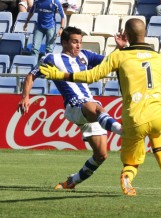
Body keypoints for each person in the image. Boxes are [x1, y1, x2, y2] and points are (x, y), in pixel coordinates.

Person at [39, 18, 161, 196]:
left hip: (133, 118)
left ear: (126, 35)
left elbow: (91, 76)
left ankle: (126, 175)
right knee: (156, 138)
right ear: (147, 34)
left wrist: (61, 75)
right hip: (157, 115)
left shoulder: (120, 57)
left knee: (130, 163)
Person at [17, 26, 123, 190]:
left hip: (89, 107)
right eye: (75, 42)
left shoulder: (85, 56)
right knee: (96, 107)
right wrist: (25, 96)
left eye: (80, 42)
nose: (79, 45)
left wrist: (119, 48)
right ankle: (124, 131)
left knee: (101, 155)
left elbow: (109, 62)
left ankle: (72, 181)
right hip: (75, 105)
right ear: (64, 42)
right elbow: (31, 75)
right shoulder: (52, 58)